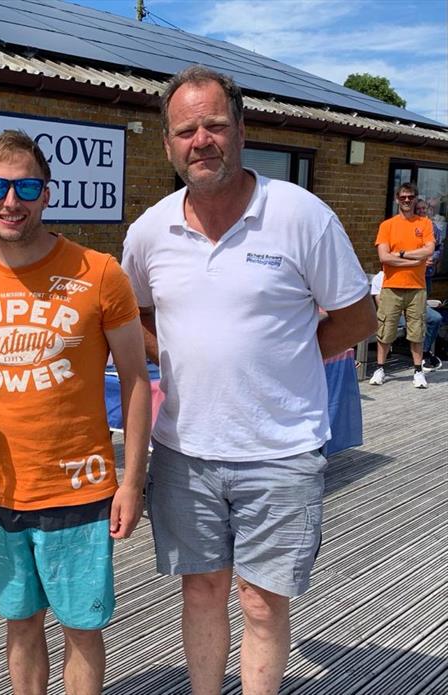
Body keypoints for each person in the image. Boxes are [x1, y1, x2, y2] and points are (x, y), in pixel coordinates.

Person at [121, 66, 376, 695]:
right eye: (186, 130)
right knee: (202, 590)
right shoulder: (149, 231)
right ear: (169, 145)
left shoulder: (300, 215)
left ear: (241, 129)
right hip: (184, 450)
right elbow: (135, 318)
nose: (201, 139)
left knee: (262, 603)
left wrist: (287, 357)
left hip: (281, 452)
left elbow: (359, 316)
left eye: (214, 124)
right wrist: (177, 353)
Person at [0, 130, 151, 695]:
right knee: (19, 625)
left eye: (25, 186)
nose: (10, 200)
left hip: (79, 487)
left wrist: (132, 482)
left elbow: (137, 382)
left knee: (82, 628)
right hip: (2, 489)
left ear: (47, 194)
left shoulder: (100, 272)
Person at [368, 183, 435, 388]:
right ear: (397, 199)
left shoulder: (424, 224)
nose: (407, 200)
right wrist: (414, 261)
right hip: (391, 286)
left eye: (410, 197)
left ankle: (417, 371)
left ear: (415, 199)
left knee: (417, 331)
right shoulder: (387, 225)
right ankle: (380, 369)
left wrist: (402, 254)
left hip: (416, 288)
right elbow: (384, 257)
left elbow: (429, 250)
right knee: (386, 329)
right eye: (403, 197)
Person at [370, 271, 442, 371]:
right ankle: (420, 356)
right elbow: (380, 304)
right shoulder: (380, 278)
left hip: (414, 307)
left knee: (435, 318)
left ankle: (424, 351)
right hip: (394, 312)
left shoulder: (410, 274)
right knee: (414, 324)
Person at [415, 198, 444, 296]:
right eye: (418, 209)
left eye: (424, 208)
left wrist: (433, 258)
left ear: (427, 209)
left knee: (425, 297)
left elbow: (439, 247)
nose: (421, 211)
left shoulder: (433, 227)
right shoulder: (410, 225)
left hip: (427, 271)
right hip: (413, 270)